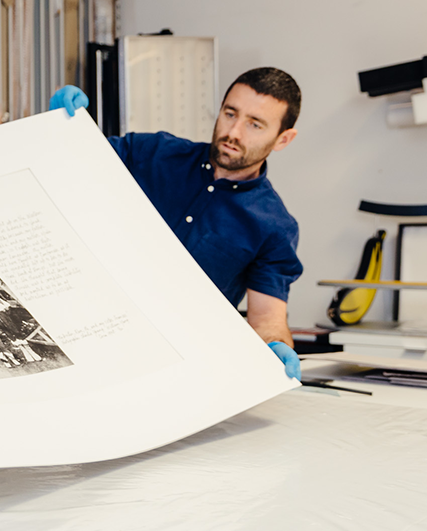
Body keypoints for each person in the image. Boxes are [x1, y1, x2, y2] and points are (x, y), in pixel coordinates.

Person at [50, 68, 303, 380]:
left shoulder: (275, 227)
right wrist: (60, 126)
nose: (234, 132)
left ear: (283, 139)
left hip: (172, 370)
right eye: (230, 113)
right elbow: (68, 162)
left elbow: (267, 322)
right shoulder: (150, 154)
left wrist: (274, 347)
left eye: (255, 124)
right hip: (79, 333)